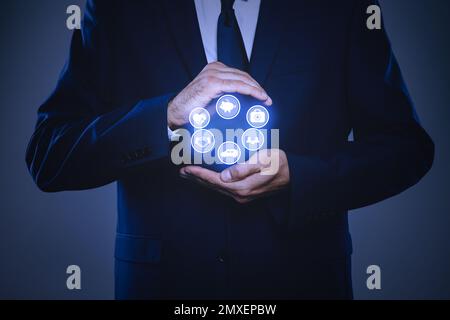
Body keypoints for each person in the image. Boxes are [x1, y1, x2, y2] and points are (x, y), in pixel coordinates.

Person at [26, 0, 434, 299]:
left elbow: (405, 148)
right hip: (164, 287)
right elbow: (48, 154)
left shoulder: (341, 7)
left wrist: (300, 177)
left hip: (304, 282)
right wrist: (163, 117)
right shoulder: (119, 9)